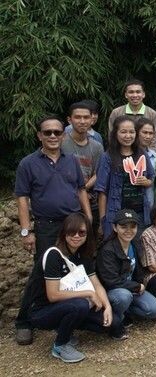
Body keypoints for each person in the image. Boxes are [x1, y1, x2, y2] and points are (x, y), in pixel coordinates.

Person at [14, 115, 92, 345]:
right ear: (39, 135)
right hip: (47, 226)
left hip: (72, 224)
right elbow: (22, 198)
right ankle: (24, 322)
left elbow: (81, 190)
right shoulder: (28, 163)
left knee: (74, 269)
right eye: (47, 132)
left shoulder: (71, 161)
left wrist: (87, 219)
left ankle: (63, 316)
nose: (52, 136)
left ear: (63, 134)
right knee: (41, 272)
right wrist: (26, 232)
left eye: (57, 132)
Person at [25, 213, 124, 363]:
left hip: (69, 306)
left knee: (114, 322)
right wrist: (88, 293)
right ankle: (60, 345)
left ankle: (66, 327)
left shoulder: (82, 255)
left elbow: (96, 284)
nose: (76, 236)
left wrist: (108, 306)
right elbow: (53, 295)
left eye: (82, 232)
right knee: (80, 304)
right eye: (72, 232)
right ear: (64, 233)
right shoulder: (53, 255)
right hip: (43, 310)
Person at [96, 210, 156, 326]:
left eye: (133, 227)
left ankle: (127, 312)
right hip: (113, 291)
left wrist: (140, 284)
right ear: (115, 228)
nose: (128, 231)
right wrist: (136, 286)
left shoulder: (135, 243)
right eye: (123, 227)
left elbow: (138, 271)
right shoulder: (107, 250)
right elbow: (111, 281)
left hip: (131, 288)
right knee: (123, 296)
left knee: (155, 309)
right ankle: (117, 317)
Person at [95, 115, 155, 239]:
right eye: (123, 132)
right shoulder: (107, 157)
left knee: (139, 250)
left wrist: (146, 182)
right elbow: (102, 192)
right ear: (115, 133)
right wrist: (103, 221)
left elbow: (151, 178)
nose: (128, 136)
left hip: (140, 213)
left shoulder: (142, 153)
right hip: (116, 213)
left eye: (131, 132)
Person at [61, 102, 104, 237]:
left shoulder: (97, 146)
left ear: (92, 120)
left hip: (91, 200)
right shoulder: (61, 143)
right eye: (78, 117)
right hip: (67, 200)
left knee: (89, 244)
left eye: (86, 117)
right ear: (69, 120)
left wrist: (83, 188)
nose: (82, 121)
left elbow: (99, 173)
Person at [108, 79, 156, 152]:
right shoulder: (116, 112)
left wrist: (151, 156)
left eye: (138, 92)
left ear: (143, 94)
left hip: (145, 154)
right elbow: (112, 136)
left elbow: (155, 137)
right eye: (131, 92)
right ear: (126, 95)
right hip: (121, 154)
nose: (135, 95)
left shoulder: (152, 113)